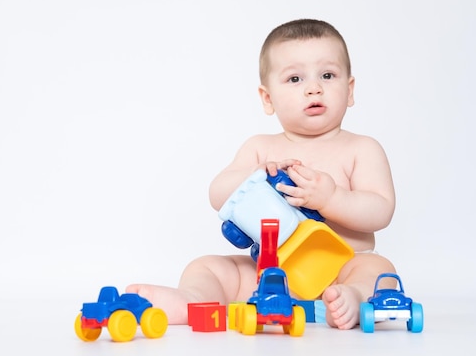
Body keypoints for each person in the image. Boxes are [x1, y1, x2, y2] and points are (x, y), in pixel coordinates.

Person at [126, 18, 397, 330]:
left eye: (327, 75)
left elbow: (381, 210)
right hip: (267, 274)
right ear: (268, 99)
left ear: (349, 90)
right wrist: (251, 177)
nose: (313, 87)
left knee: (377, 269)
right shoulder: (260, 148)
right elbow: (218, 194)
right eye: (295, 78)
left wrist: (332, 198)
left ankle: (352, 297)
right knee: (208, 267)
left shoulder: (361, 149)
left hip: (338, 270)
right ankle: (191, 299)